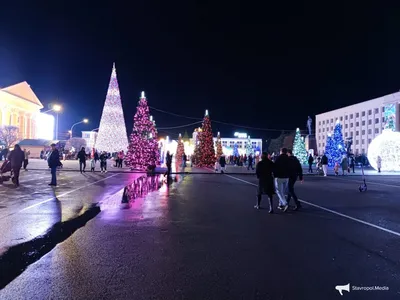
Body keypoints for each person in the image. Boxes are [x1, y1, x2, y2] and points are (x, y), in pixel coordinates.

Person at [273, 148, 290, 212]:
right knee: (282, 191)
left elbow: (275, 167)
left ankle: (285, 203)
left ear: (281, 151)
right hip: (286, 177)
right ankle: (280, 204)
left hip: (279, 176)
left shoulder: (278, 158)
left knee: (279, 191)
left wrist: (275, 175)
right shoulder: (289, 159)